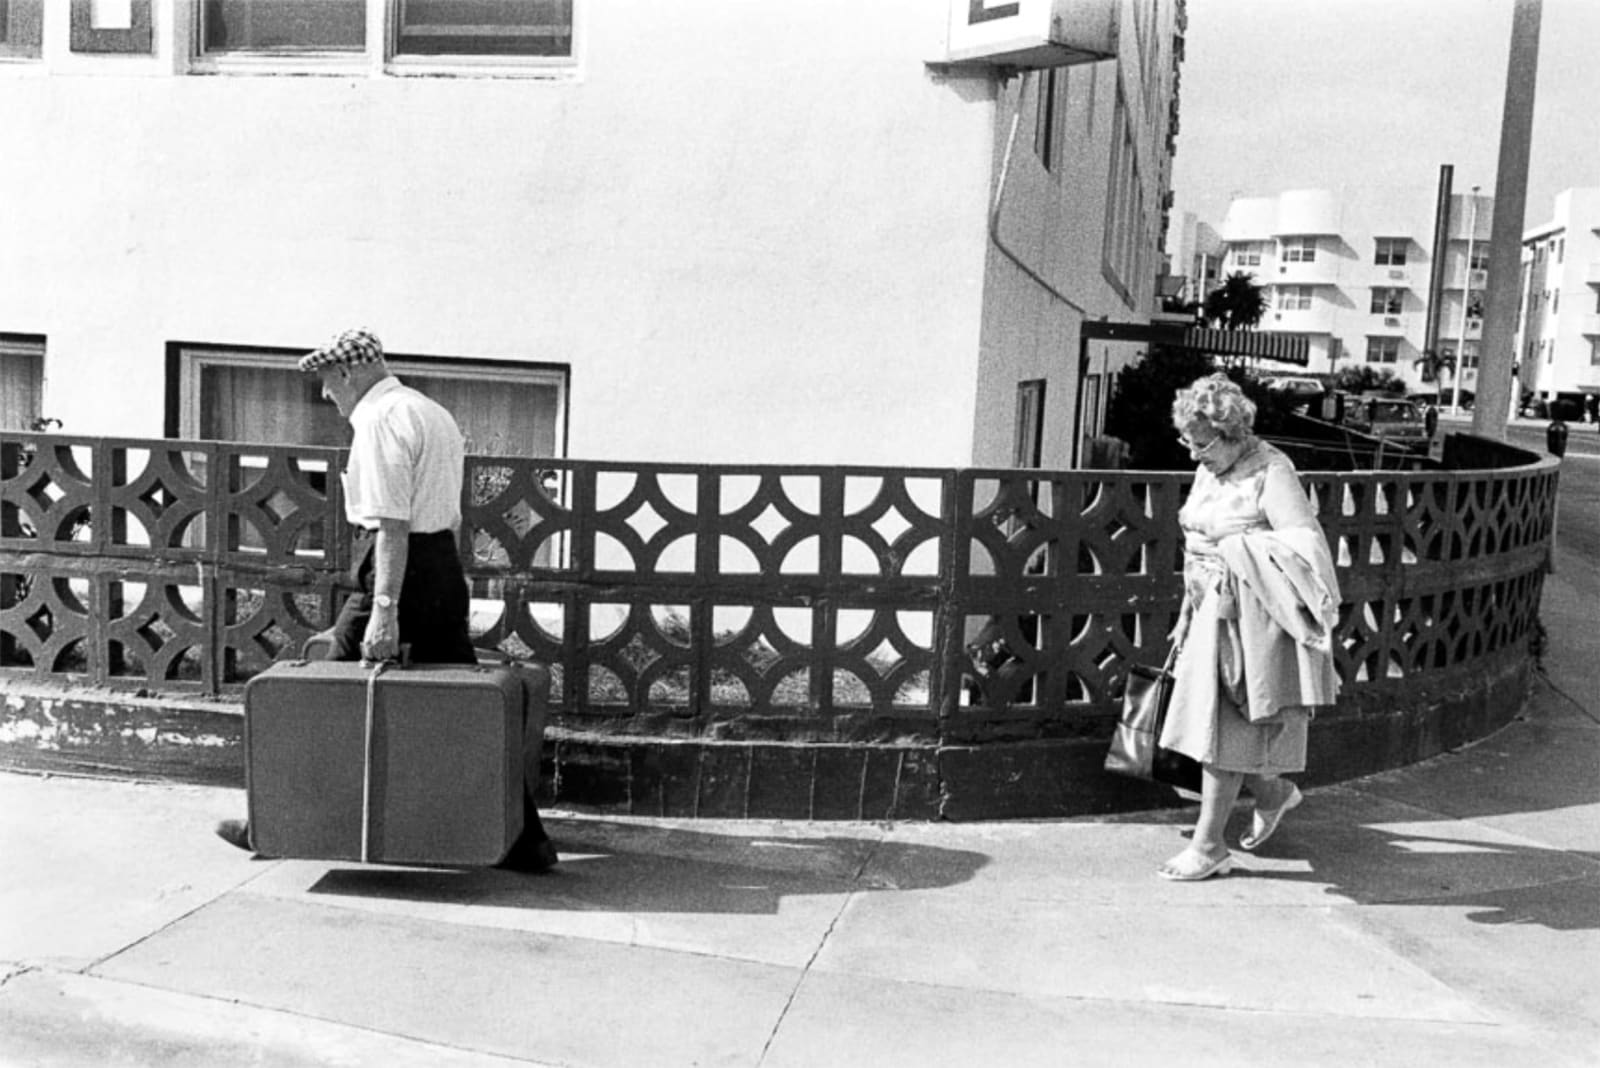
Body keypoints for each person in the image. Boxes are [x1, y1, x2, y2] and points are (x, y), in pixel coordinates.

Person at [216, 328, 557, 873]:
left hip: (398, 571)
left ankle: (272, 819)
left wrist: (384, 610)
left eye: (327, 381)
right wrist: (446, 581)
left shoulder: (378, 421)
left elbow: (392, 526)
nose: (326, 394)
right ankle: (527, 840)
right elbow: (451, 517)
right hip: (440, 567)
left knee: (322, 691)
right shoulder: (432, 413)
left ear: (349, 372)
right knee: (463, 708)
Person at [1156, 373, 1341, 881]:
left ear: (1232, 433)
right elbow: (1197, 543)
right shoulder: (1214, 467)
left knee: (1226, 730)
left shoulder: (1271, 471)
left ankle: (1209, 845)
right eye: (1187, 443)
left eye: (1201, 444)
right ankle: (1273, 792)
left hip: (1250, 622)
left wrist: (1239, 555)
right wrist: (1186, 614)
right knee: (1219, 726)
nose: (1194, 455)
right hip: (1207, 613)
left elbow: (1304, 544)